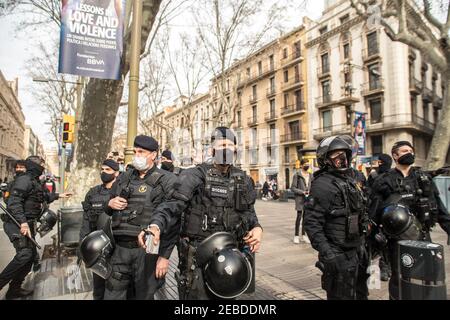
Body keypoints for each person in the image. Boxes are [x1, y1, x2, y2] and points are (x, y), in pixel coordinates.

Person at [139, 127, 263, 300]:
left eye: (229, 145)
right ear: (212, 150)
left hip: (229, 258)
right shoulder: (195, 175)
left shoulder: (242, 179)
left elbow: (248, 212)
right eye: (221, 145)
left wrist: (257, 227)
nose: (225, 149)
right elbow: (172, 205)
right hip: (197, 259)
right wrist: (155, 225)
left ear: (235, 148)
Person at [368, 141, 450, 300]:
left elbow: (439, 209)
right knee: (399, 280)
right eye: (405, 151)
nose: (409, 153)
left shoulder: (423, 178)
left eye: (411, 150)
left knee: (429, 278)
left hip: (423, 238)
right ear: (395, 156)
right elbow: (373, 213)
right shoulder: (384, 181)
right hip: (396, 241)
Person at [104, 135, 176, 300]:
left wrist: (164, 257)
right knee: (112, 295)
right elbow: (106, 207)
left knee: (144, 296)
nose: (137, 155)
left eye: (141, 152)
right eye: (135, 151)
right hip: (120, 249)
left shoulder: (167, 180)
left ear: (153, 155)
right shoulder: (124, 178)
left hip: (148, 250)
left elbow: (173, 220)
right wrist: (110, 204)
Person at [304, 135, 369, 300]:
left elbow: (363, 210)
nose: (342, 159)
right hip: (337, 254)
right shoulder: (321, 185)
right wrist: (328, 253)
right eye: (335, 155)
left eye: (344, 154)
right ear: (325, 159)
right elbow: (312, 224)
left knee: (361, 294)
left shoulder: (355, 179)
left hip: (359, 251)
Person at [0, 156, 72, 299]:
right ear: (34, 165)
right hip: (17, 223)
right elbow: (14, 203)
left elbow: (43, 196)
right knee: (25, 254)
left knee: (31, 256)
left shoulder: (34, 181)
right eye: (41, 165)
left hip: (28, 223)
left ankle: (14, 290)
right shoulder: (24, 180)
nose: (43, 167)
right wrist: (23, 222)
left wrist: (59, 195)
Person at [79, 159, 120, 300]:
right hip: (99, 248)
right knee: (98, 287)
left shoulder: (122, 191)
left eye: (108, 170)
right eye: (102, 169)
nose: (103, 172)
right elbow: (86, 222)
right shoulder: (93, 193)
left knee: (117, 287)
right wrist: (82, 246)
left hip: (119, 248)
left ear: (116, 173)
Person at [291, 160, 312, 244]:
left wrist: (311, 192)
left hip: (308, 199)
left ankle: (304, 235)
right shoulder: (297, 175)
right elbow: (293, 188)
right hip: (300, 199)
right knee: (299, 217)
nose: (307, 165)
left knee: (305, 218)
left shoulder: (310, 175)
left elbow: (313, 185)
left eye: (308, 164)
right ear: (301, 165)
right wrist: (302, 192)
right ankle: (296, 236)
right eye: (305, 164)